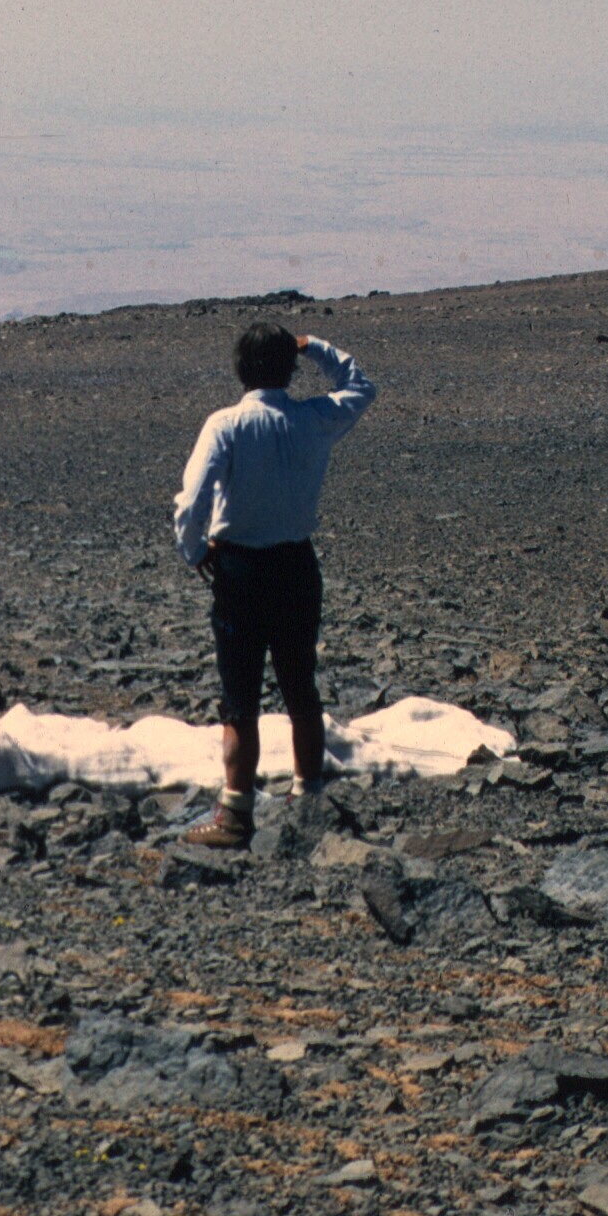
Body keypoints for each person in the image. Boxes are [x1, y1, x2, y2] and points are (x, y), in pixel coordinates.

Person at [169, 319, 378, 849]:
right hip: (297, 566)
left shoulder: (225, 425)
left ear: (240, 369)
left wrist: (194, 551)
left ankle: (235, 813)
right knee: (298, 683)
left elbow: (192, 501)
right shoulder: (314, 419)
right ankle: (308, 795)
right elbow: (361, 387)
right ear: (290, 368)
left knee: (239, 695)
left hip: (239, 570)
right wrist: (316, 348)